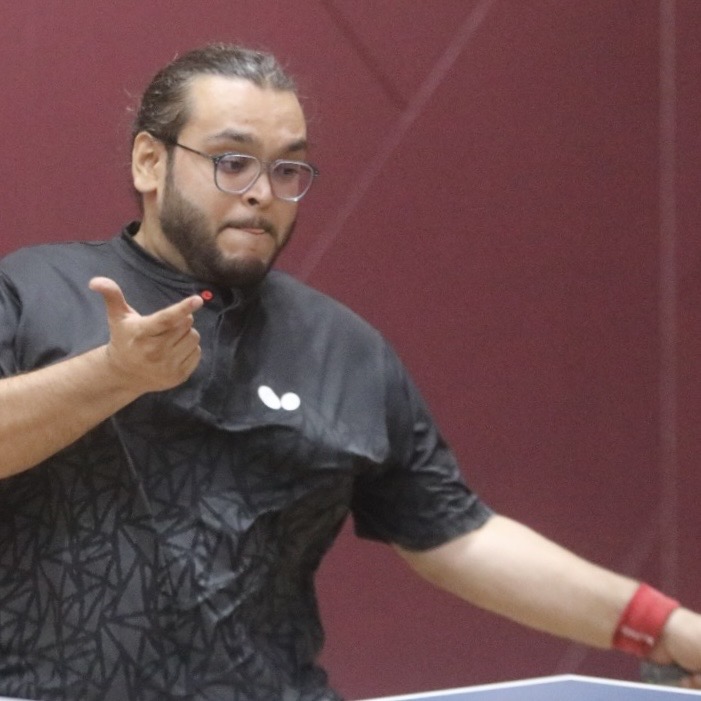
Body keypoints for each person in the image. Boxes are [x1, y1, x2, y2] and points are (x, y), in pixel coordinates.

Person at [0, 43, 699, 701]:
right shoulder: (35, 292)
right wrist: (113, 375)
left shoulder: (343, 350)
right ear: (150, 162)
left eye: (287, 170)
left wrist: (662, 627)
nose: (261, 192)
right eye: (232, 161)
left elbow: (456, 535)